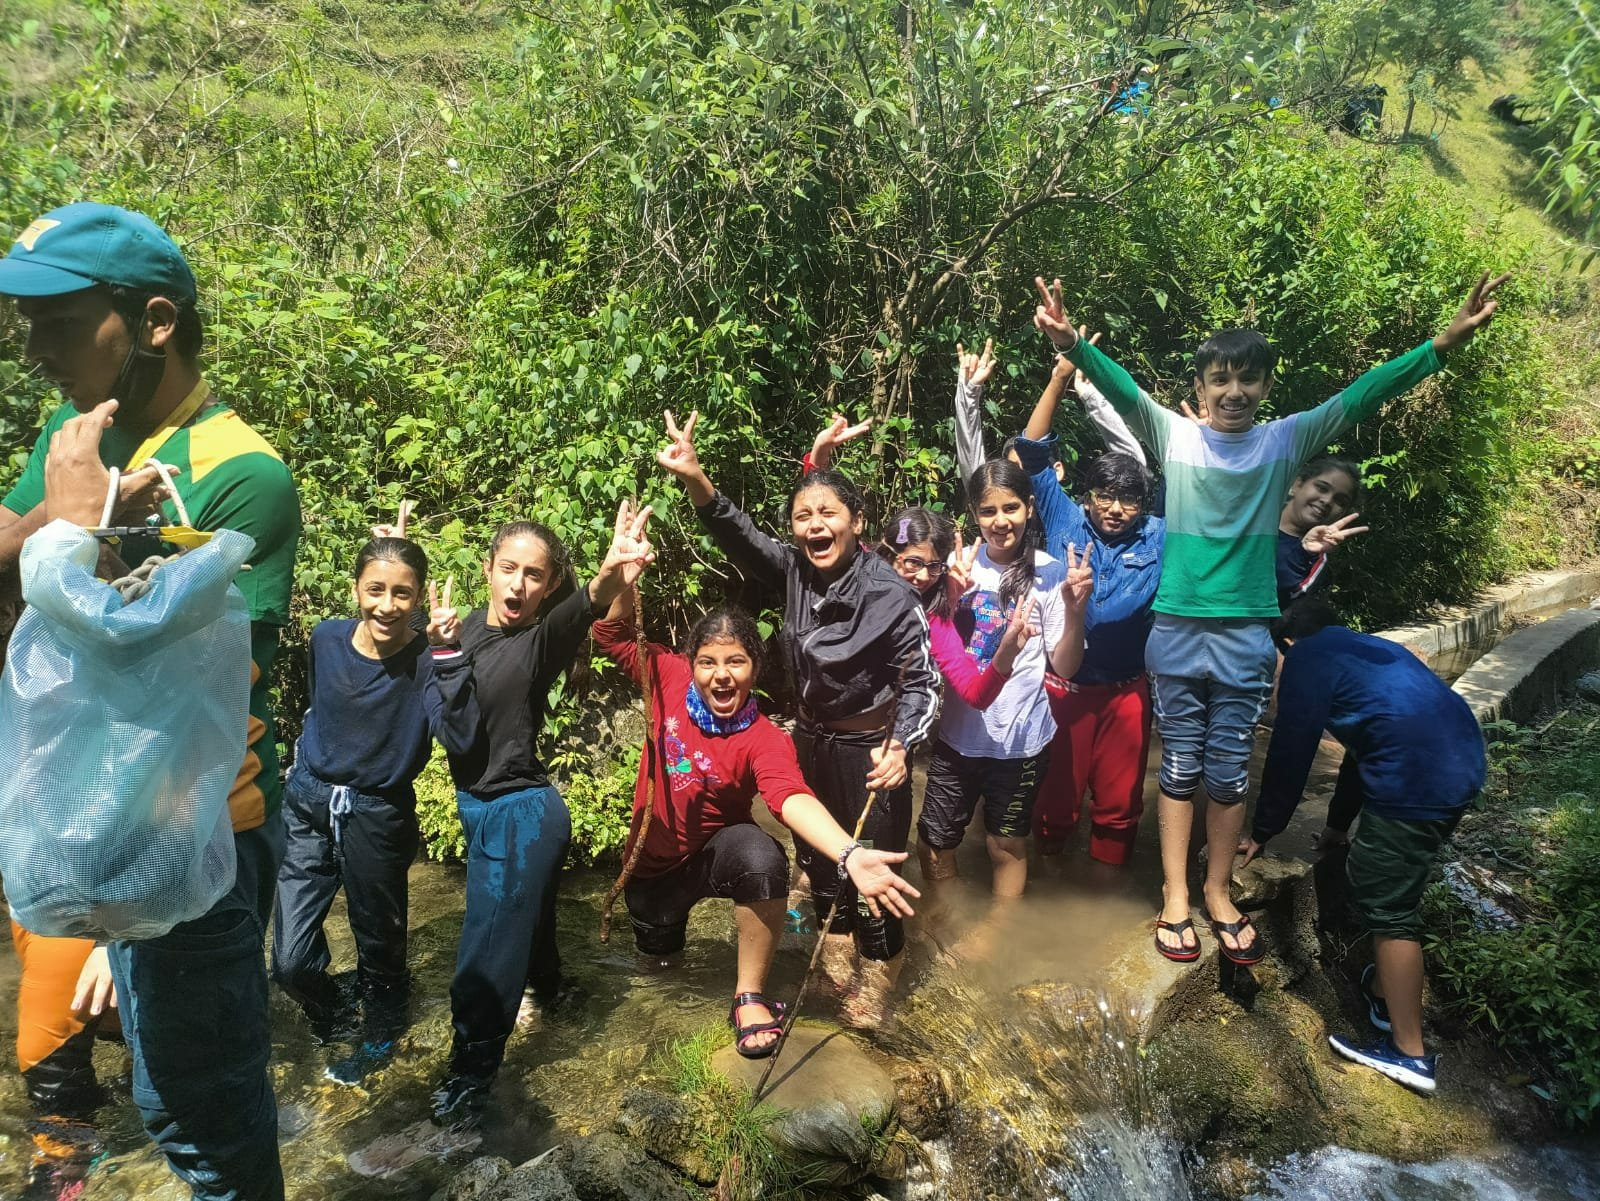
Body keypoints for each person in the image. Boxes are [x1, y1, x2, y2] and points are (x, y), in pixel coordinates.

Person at [1033, 269, 1508, 965]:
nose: (1233, 392)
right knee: (1178, 770)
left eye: (1246, 379)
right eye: (1219, 380)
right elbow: (1122, 388)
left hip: (1246, 638)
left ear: (1264, 387)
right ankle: (1173, 894)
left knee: (1226, 774)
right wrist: (1074, 342)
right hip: (1176, 632)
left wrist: (1441, 344)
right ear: (1199, 391)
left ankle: (1217, 890)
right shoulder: (1174, 437)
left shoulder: (1283, 441)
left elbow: (1366, 392)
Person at [0, 201, 300, 1199]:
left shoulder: (241, 477)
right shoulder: (71, 432)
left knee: (202, 1125)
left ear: (155, 322)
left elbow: (179, 697)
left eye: (58, 320)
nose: (32, 346)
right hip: (94, 828)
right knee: (156, 1101)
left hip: (193, 838)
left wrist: (124, 909)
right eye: (23, 319)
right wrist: (65, 512)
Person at [655, 410, 938, 981]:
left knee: (876, 881)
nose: (814, 524)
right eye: (802, 516)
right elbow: (737, 532)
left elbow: (925, 684)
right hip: (811, 741)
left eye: (828, 513)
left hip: (871, 755)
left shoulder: (891, 594)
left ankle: (879, 990)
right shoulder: (794, 572)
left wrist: (901, 745)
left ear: (857, 523)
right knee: (822, 863)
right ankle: (834, 973)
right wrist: (693, 475)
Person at [593, 592, 919, 1057]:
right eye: (707, 662)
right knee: (660, 972)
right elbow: (609, 631)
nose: (720, 675)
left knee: (762, 856)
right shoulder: (665, 676)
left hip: (717, 856)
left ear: (755, 668)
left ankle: (748, 997)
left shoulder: (763, 737)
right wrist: (618, 577)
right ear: (691, 663)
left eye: (735, 662)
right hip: (650, 871)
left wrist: (850, 853)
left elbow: (789, 797)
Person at [423, 502, 654, 1126]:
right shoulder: (462, 628)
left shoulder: (539, 639)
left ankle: (467, 1088)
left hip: (519, 814)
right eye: (508, 569)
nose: (518, 585)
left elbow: (588, 605)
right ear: (487, 569)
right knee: (529, 948)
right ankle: (556, 997)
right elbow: (450, 724)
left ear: (550, 585)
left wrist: (611, 571)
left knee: (484, 957)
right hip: (484, 812)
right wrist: (436, 642)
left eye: (534, 575)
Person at [1239, 598, 1486, 1094]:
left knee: (1388, 907)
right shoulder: (1370, 648)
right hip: (1462, 764)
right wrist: (1336, 828)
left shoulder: (1307, 659)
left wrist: (1261, 832)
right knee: (1386, 878)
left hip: (1416, 781)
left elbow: (1290, 752)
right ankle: (1381, 989)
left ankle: (1409, 1054)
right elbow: (1362, 749)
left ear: (1286, 644)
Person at [271, 533, 478, 1082]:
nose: (387, 605)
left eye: (402, 594)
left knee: (380, 944)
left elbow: (460, 736)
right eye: (376, 589)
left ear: (418, 599)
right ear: (356, 588)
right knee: (288, 961)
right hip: (309, 803)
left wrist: (448, 653)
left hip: (378, 813)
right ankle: (335, 1012)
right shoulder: (325, 639)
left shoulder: (427, 660)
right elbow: (322, 706)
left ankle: (382, 1031)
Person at [956, 341, 1166, 867]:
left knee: (1119, 807)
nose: (1116, 509)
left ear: (1145, 505)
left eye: (1130, 500)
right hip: (1065, 688)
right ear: (1087, 495)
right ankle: (1049, 890)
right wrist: (1059, 378)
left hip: (1128, 691)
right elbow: (1031, 449)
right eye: (1105, 497)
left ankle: (1101, 896)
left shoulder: (1162, 536)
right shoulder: (1066, 519)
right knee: (1054, 804)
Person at [918, 462, 1092, 899]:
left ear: (1030, 508)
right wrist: (948, 593)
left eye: (1010, 508)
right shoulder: (957, 570)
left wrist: (1075, 610)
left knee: (1006, 844)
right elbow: (927, 642)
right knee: (935, 843)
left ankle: (997, 935)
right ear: (974, 515)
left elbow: (1066, 668)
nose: (1000, 522)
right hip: (958, 736)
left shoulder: (1052, 574)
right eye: (988, 511)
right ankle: (944, 920)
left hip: (1022, 741)